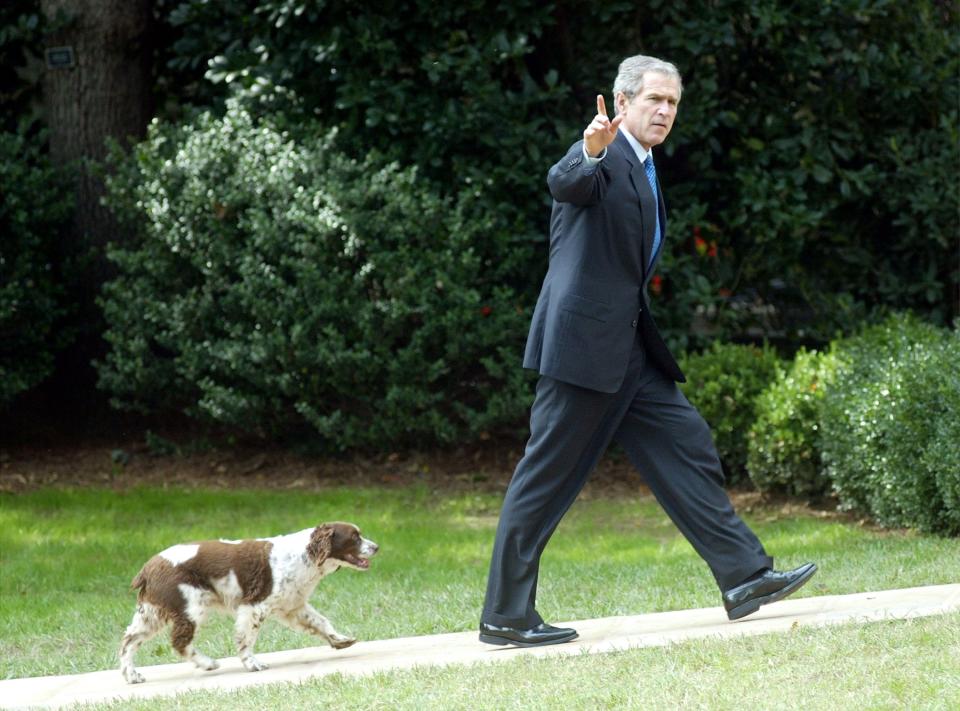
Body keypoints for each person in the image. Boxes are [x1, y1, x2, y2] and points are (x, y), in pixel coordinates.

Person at [478, 54, 816, 648]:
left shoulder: (648, 166)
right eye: (654, 100)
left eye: (672, 103)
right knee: (544, 481)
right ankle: (505, 616)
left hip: (629, 351)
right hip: (583, 352)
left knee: (687, 444)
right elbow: (567, 182)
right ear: (624, 101)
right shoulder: (603, 156)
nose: (664, 111)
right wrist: (591, 148)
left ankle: (744, 577)